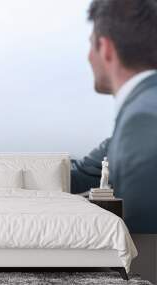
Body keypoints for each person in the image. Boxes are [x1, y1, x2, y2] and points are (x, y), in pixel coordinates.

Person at [71, 0, 157, 234]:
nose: (88, 56)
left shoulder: (141, 122)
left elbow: (145, 251)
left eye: (91, 45)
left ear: (106, 48)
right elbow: (82, 173)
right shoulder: (144, 109)